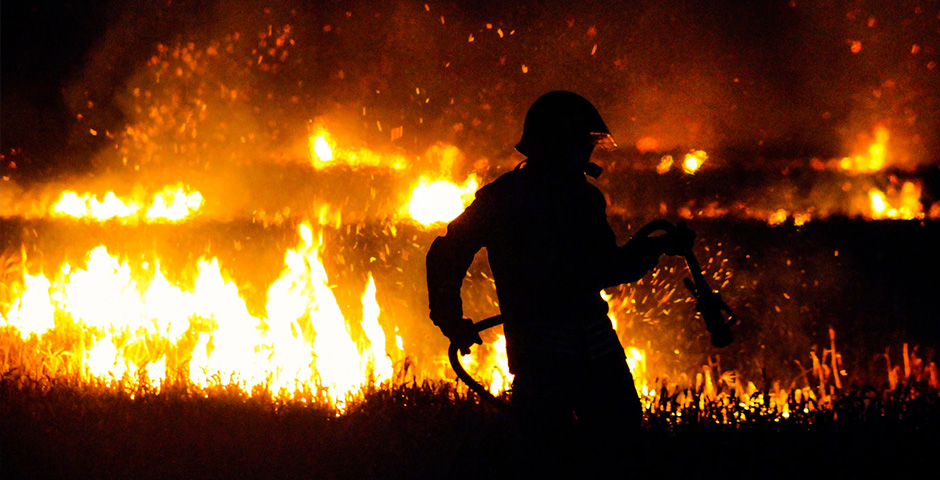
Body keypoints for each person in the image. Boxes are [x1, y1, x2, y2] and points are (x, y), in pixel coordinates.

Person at [426, 90, 692, 472]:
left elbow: (446, 254)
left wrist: (658, 247)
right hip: (555, 353)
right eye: (582, 145)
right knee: (585, 451)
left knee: (568, 451)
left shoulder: (520, 198)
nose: (588, 155)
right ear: (557, 144)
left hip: (568, 349)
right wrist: (654, 249)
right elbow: (608, 268)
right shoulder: (562, 200)